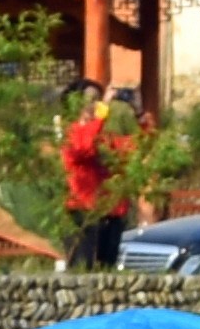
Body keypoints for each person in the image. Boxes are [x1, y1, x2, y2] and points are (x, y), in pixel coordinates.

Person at [57, 87, 139, 268]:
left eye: (96, 101)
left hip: (108, 209)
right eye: (91, 102)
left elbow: (131, 150)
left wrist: (138, 118)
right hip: (81, 208)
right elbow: (82, 149)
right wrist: (101, 116)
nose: (94, 106)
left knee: (106, 265)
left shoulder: (103, 137)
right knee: (83, 264)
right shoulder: (73, 133)